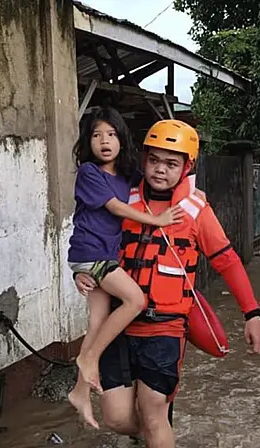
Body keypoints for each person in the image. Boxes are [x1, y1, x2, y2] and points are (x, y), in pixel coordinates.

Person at [74, 120, 260, 448]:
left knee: (153, 409)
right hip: (119, 326)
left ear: (187, 167)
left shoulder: (196, 210)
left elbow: (227, 261)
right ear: (143, 160)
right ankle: (150, 433)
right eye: (155, 160)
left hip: (164, 329)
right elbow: (90, 238)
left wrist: (252, 313)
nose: (161, 170)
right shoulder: (121, 197)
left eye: (172, 163)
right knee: (114, 417)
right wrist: (82, 272)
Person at [66, 108, 185, 429]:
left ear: (122, 139)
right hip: (93, 254)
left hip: (99, 258)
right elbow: (116, 208)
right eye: (95, 135)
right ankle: (89, 361)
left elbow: (158, 179)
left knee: (97, 321)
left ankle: (79, 391)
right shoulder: (90, 173)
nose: (104, 141)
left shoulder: (126, 176)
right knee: (135, 300)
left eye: (111, 134)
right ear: (86, 141)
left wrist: (192, 192)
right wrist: (158, 220)